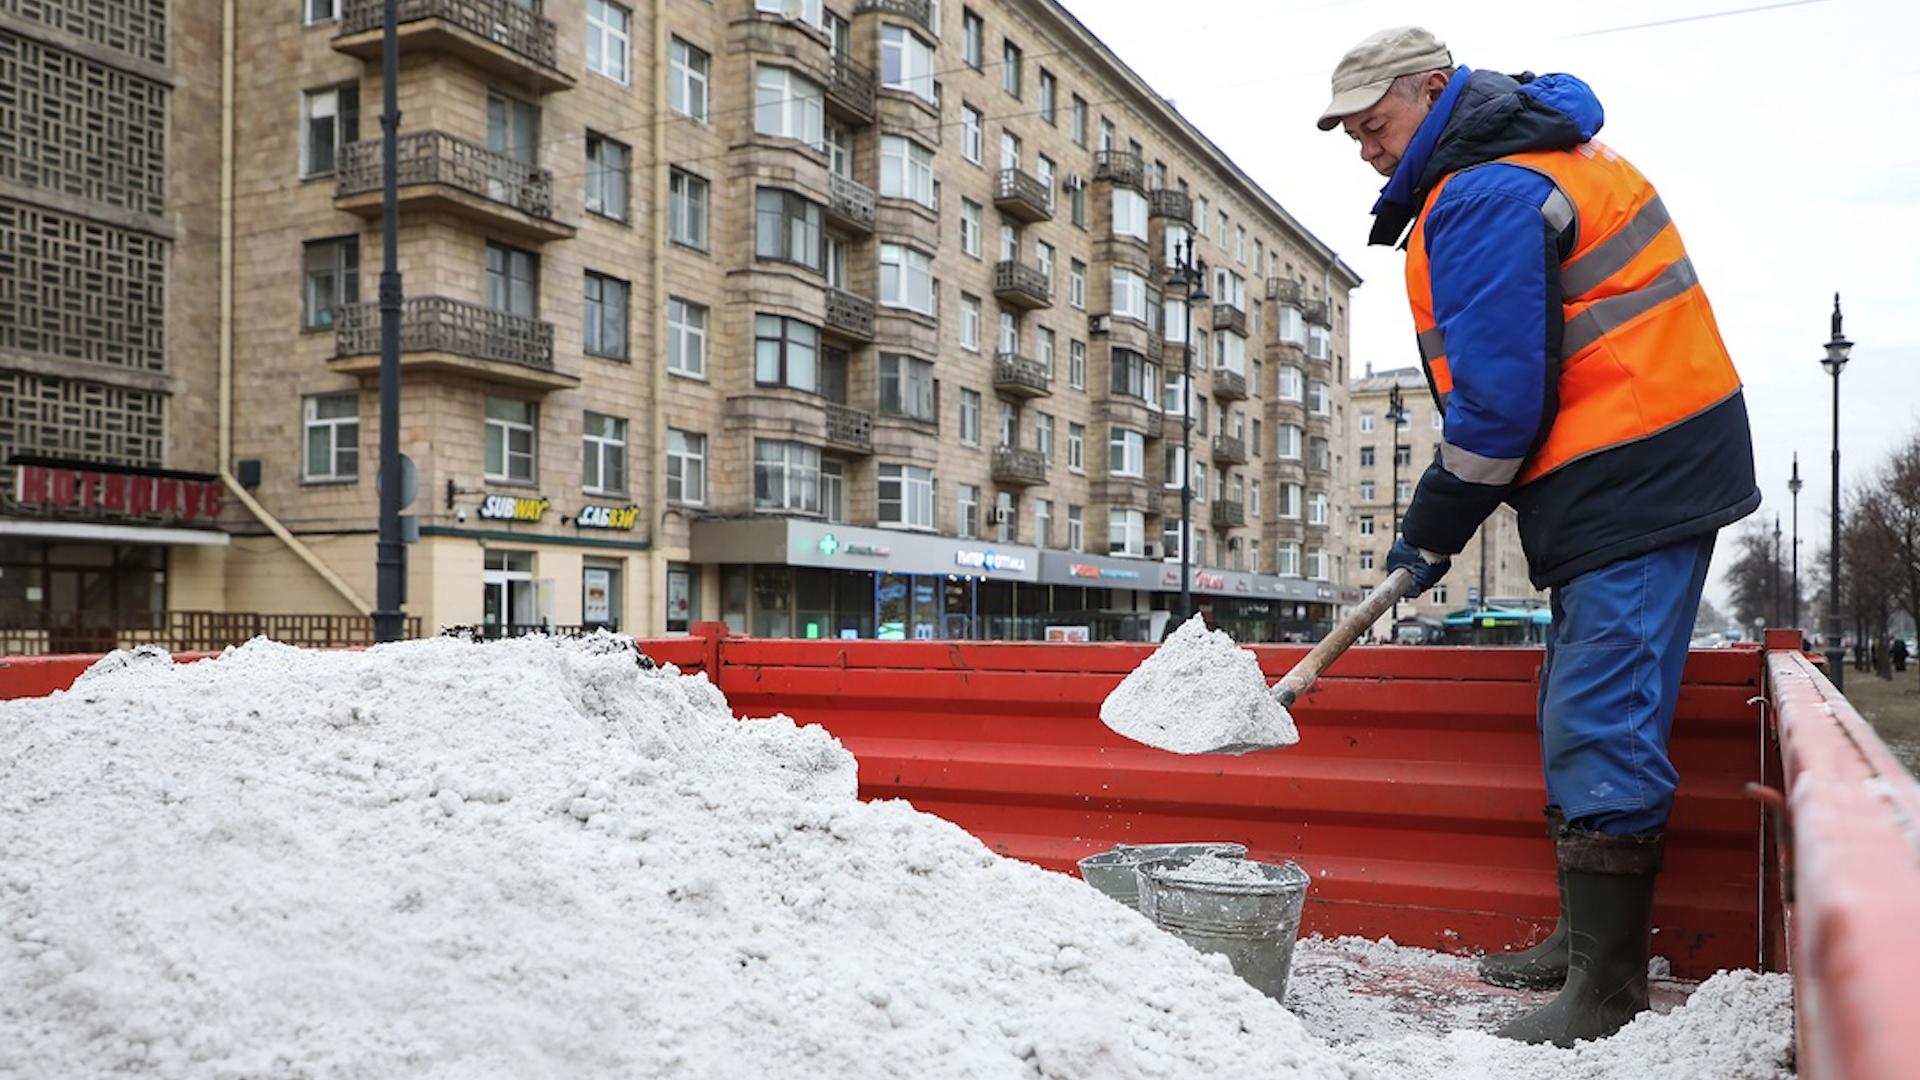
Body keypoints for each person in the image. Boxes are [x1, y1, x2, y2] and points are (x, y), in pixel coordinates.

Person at [1317, 28, 1759, 1046]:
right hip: (1630, 465)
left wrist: (1424, 540)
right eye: (1351, 138)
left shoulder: (1484, 191)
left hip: (1636, 468)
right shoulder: (1526, 159)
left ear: (1434, 92)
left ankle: (1603, 993)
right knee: (1574, 699)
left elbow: (1501, 408)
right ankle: (1581, 943)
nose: (1367, 151)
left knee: (1600, 711)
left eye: (1376, 127)